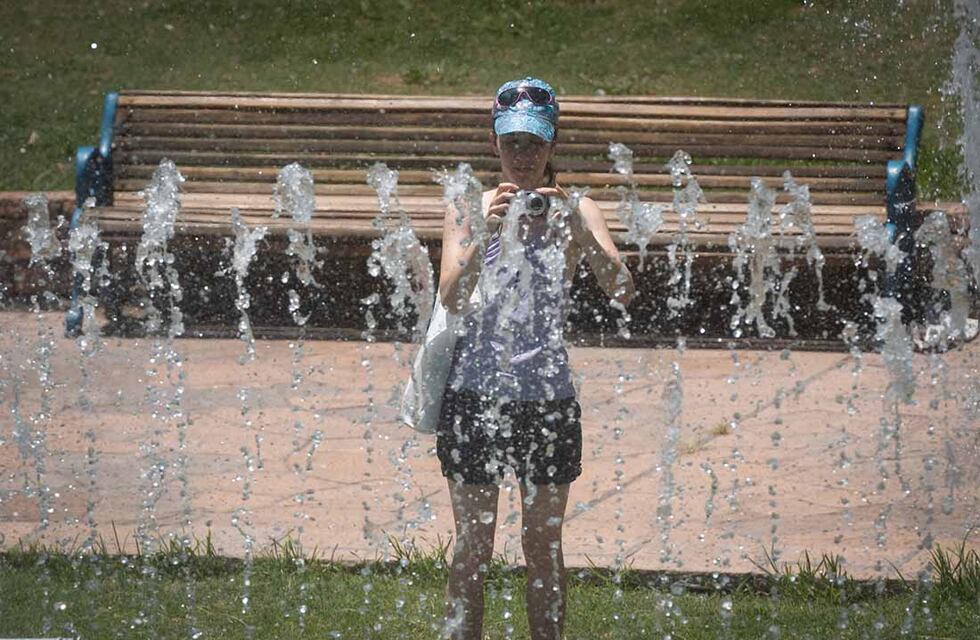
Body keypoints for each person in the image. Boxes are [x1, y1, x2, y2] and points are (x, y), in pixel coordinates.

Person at [436, 77, 635, 640]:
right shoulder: (467, 207)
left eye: (535, 143)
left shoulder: (580, 207)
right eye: (512, 143)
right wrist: (488, 227)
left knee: (542, 548)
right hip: (474, 396)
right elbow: (450, 293)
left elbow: (623, 291)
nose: (523, 157)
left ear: (553, 145)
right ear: (494, 144)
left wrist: (583, 234)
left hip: (546, 398)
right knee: (473, 546)